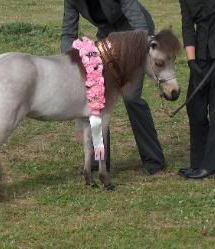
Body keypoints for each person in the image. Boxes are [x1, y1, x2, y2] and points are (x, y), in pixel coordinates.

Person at [60, 0, 165, 175]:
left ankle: (153, 159)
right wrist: (66, 60)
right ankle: (98, 161)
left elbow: (137, 21)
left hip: (136, 33)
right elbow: (68, 32)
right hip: (108, 37)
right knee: (97, 96)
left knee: (131, 97)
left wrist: (142, 46)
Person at [178, 0, 215, 179]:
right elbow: (187, 26)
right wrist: (191, 61)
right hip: (200, 54)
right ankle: (199, 162)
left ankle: (214, 166)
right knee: (194, 106)